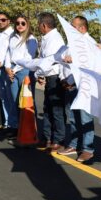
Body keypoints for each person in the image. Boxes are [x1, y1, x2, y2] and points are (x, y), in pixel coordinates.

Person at [58, 15, 96, 163]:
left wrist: (74, 62)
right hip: (70, 85)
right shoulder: (72, 43)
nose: (70, 29)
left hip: (84, 86)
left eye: (73, 26)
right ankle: (74, 145)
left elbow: (89, 65)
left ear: (82, 28)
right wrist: (65, 79)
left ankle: (88, 149)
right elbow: (63, 62)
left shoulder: (90, 44)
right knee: (73, 117)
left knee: (85, 118)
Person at [35, 12, 66, 150]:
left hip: (55, 78)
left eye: (38, 24)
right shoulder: (47, 38)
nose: (38, 27)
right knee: (47, 108)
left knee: (56, 110)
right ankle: (47, 137)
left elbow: (50, 62)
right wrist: (41, 74)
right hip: (48, 76)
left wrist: (38, 73)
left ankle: (58, 139)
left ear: (44, 25)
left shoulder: (55, 39)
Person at [6, 14, 38, 111]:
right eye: (17, 23)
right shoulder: (12, 37)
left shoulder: (31, 39)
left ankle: (32, 121)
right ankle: (18, 120)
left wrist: (14, 70)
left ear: (27, 25)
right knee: (15, 100)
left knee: (27, 101)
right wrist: (7, 68)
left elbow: (29, 58)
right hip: (12, 69)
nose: (20, 25)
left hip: (25, 71)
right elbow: (8, 53)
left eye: (23, 23)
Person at [0, 11, 17, 135]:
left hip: (7, 69)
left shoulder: (12, 34)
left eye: (3, 19)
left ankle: (14, 126)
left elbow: (10, 53)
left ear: (8, 21)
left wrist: (4, 65)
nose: (0, 22)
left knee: (11, 98)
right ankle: (8, 123)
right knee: (3, 98)